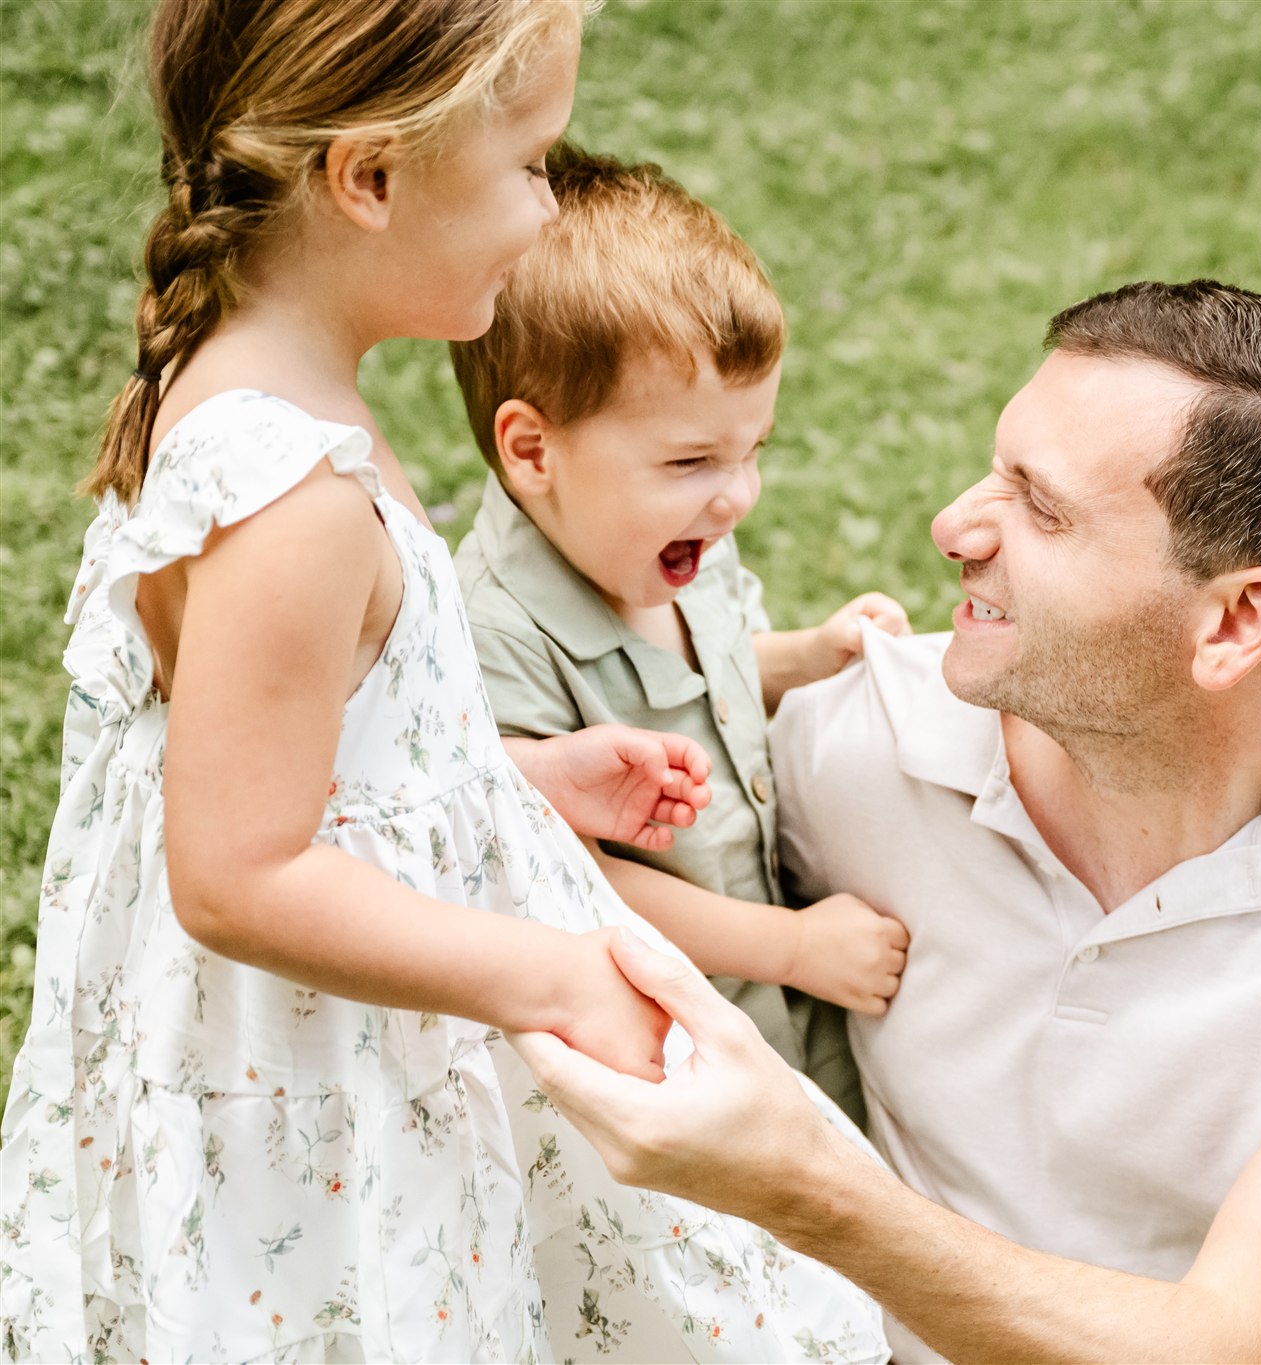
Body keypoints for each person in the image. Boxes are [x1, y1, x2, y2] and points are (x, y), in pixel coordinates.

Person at [0, 3, 883, 1360]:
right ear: (370, 177)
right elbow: (236, 871)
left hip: (336, 1054)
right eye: (530, 162)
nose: (546, 209)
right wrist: (550, 975)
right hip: (314, 1105)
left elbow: (287, 747)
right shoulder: (289, 495)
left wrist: (512, 772)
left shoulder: (262, 384)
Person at [515, 279, 1261, 1363]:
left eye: (1039, 508)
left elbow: (1231, 1344)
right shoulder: (855, 742)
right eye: (997, 470)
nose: (951, 527)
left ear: (1233, 620)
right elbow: (471, 829)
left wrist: (806, 1185)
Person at [451, 142, 912, 1127]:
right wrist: (787, 950)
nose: (735, 495)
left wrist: (802, 656)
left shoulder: (670, 543)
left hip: (784, 995)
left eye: (752, 450)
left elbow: (694, 676)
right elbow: (566, 875)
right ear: (533, 451)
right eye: (692, 458)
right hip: (669, 1047)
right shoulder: (490, 634)